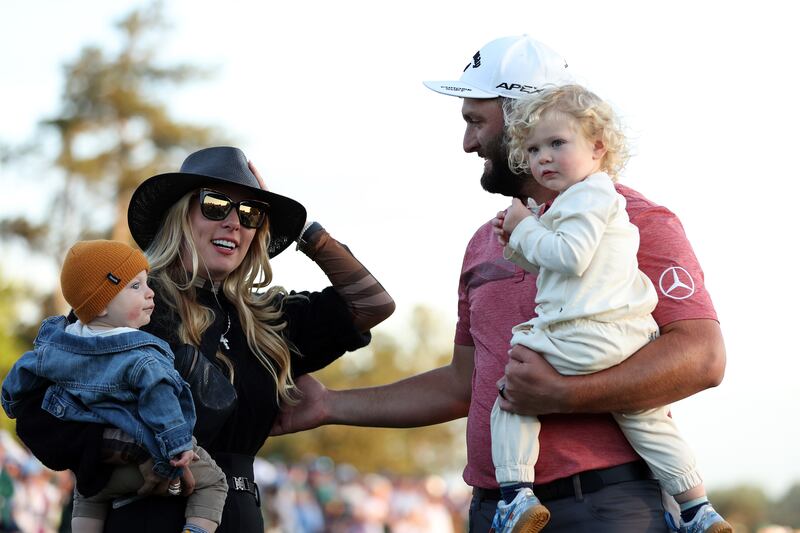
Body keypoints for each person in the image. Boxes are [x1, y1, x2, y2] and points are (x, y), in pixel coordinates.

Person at [270, 36, 726, 533]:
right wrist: (331, 405)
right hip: (496, 511)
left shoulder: (636, 219)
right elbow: (463, 384)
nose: (467, 143)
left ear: (524, 116)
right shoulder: (486, 241)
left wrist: (563, 394)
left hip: (602, 507)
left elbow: (702, 358)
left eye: (475, 122)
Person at [8, 146, 395, 532]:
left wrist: (303, 230)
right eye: (215, 205)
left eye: (250, 214)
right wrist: (129, 450)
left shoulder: (266, 320)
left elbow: (373, 304)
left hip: (238, 516)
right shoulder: (133, 303)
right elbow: (36, 414)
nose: (233, 222)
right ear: (180, 214)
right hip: (142, 515)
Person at [487, 85, 730, 533]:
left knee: (511, 396)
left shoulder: (586, 197)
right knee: (646, 420)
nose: (543, 157)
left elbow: (570, 255)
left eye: (558, 143)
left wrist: (523, 229)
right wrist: (517, 243)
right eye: (535, 148)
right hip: (627, 339)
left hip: (581, 333)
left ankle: (515, 495)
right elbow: (557, 263)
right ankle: (697, 508)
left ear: (598, 148)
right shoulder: (588, 200)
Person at [2, 240, 228, 533]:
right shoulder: (141, 354)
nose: (150, 293)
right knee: (213, 483)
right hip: (150, 457)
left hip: (96, 469)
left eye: (147, 284)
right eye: (136, 287)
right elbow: (161, 396)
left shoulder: (58, 344)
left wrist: (10, 401)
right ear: (102, 304)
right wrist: (178, 447)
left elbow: (22, 373)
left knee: (86, 496)